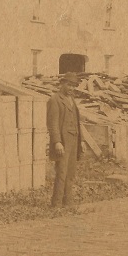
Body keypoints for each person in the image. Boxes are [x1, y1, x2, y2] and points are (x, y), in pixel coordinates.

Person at [47, 73, 83, 207]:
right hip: (63, 142)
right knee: (61, 172)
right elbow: (53, 123)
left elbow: (77, 122)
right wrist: (57, 142)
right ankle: (56, 204)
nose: (71, 88)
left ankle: (67, 203)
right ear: (62, 84)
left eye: (73, 86)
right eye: (69, 84)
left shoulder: (72, 100)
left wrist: (82, 141)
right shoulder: (55, 100)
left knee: (71, 173)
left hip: (74, 140)